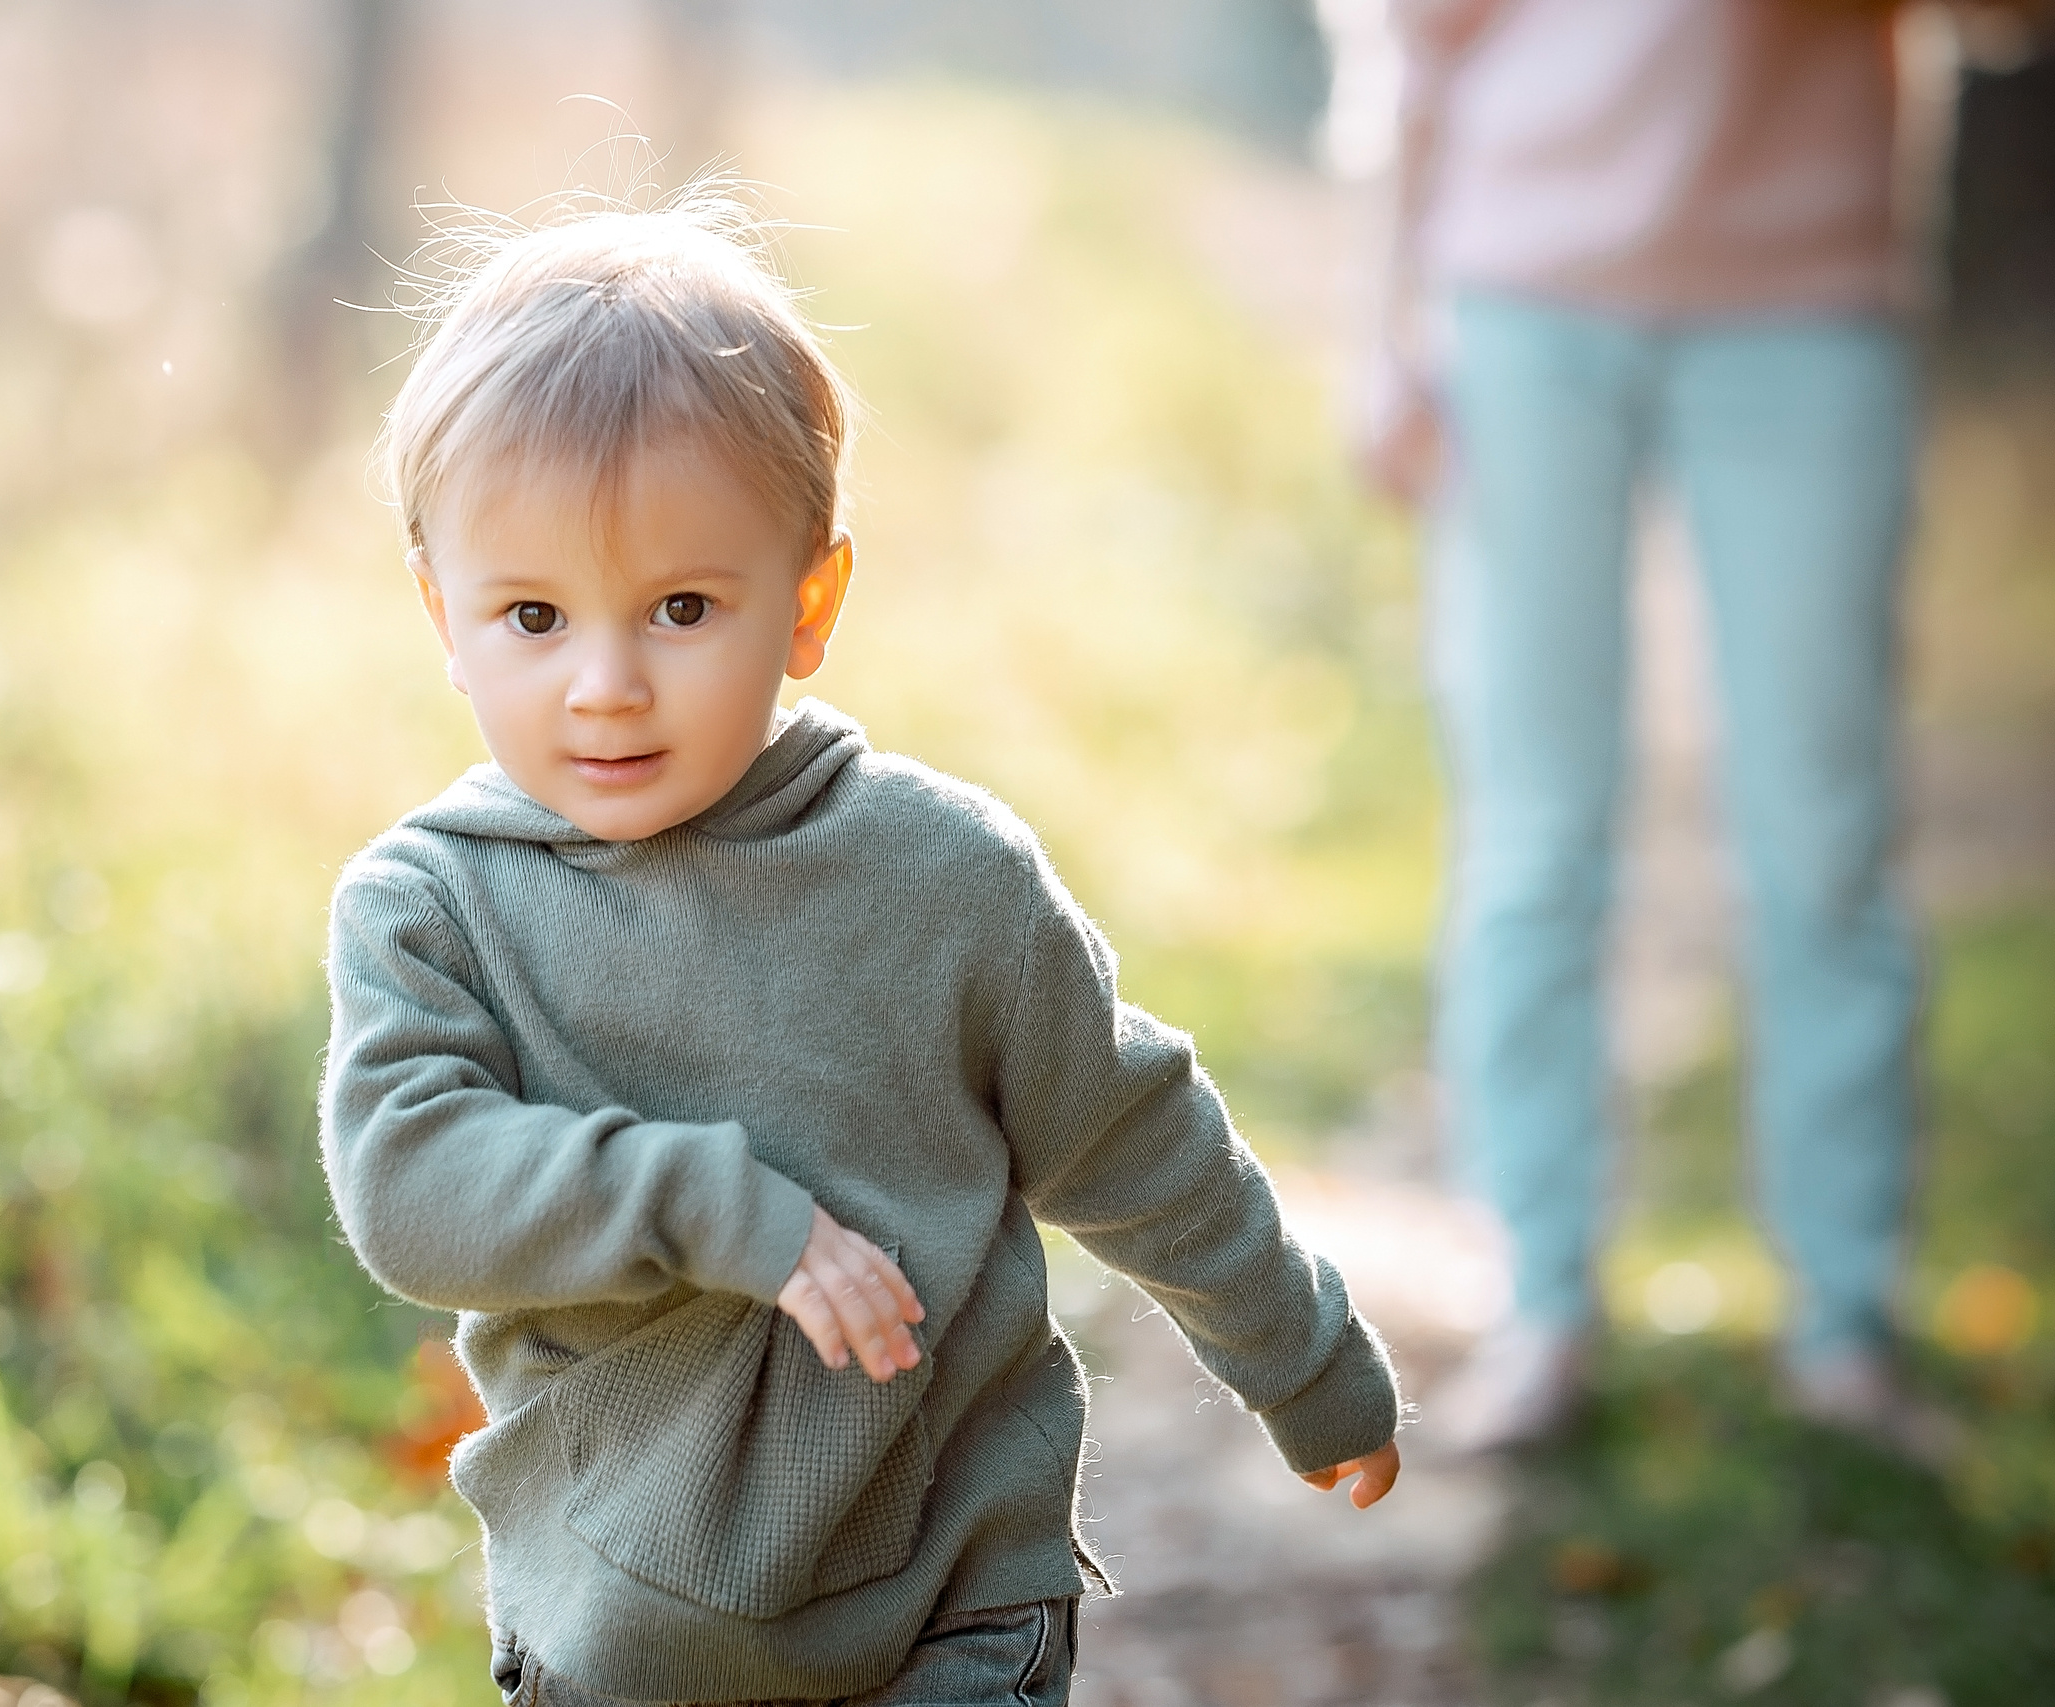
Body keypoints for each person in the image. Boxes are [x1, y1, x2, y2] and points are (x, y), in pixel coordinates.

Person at [318, 197, 1404, 1706]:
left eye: (683, 608)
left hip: (951, 1599)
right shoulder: (437, 906)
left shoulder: (942, 879)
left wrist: (1304, 1360)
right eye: (534, 616)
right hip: (615, 1629)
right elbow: (410, 1186)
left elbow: (1133, 1129)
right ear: (445, 616)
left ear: (810, 601)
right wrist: (711, 1205)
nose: (607, 685)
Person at [1363, 0, 1947, 1456]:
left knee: (1828, 837)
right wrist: (1384, 326)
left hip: (1811, 297)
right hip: (1523, 295)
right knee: (1535, 829)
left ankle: (1846, 1320)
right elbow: (1413, 40)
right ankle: (1539, 1298)